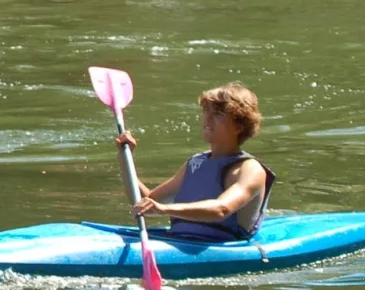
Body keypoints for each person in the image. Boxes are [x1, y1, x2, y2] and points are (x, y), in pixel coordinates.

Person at [117, 83, 275, 242]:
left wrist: (164, 209)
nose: (208, 118)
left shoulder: (249, 170)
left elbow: (222, 209)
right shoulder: (196, 163)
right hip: (181, 239)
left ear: (239, 125)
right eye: (206, 110)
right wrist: (125, 156)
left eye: (218, 113)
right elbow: (145, 200)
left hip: (223, 247)